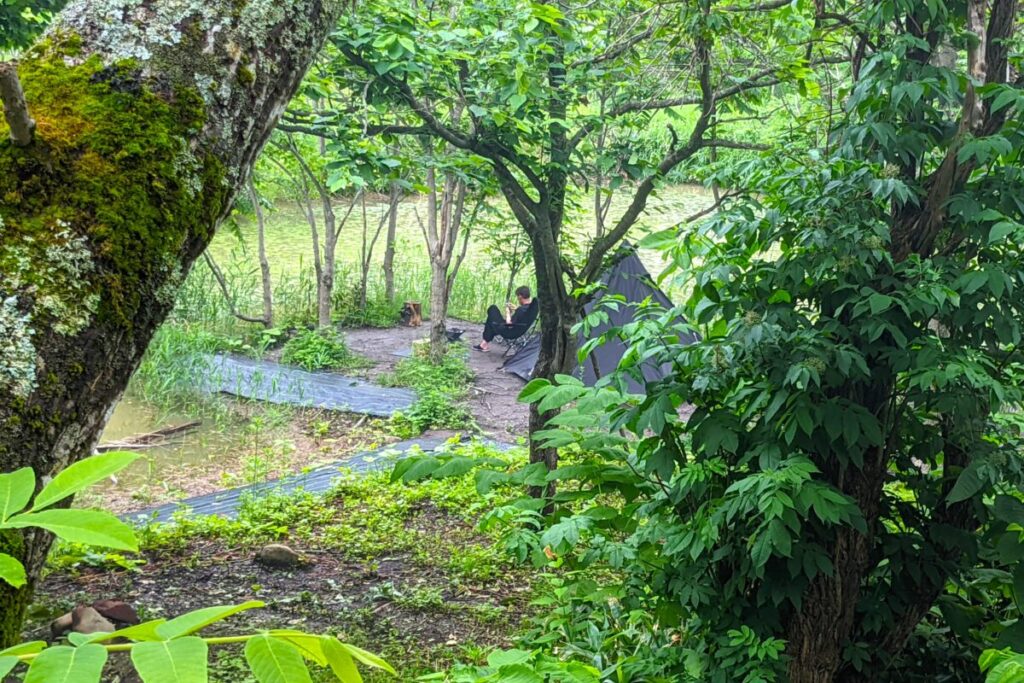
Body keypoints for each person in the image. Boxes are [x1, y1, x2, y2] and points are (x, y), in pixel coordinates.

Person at [474, 286, 537, 352]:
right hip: (519, 329)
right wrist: (516, 309)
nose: (518, 299)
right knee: (491, 320)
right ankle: (483, 345)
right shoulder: (531, 308)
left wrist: (508, 312)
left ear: (520, 296)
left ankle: (484, 345)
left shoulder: (521, 310)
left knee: (492, 309)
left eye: (517, 297)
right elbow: (522, 314)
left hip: (509, 332)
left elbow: (509, 323)